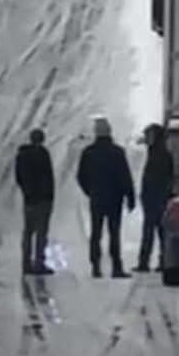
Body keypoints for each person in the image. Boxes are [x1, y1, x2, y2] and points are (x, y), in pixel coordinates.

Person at [76, 115, 135, 278]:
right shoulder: (117, 152)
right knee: (114, 233)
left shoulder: (88, 153)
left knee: (96, 233)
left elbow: (81, 176)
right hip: (115, 199)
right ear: (110, 133)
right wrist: (130, 197)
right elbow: (125, 176)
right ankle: (116, 267)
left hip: (97, 198)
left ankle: (95, 266)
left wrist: (90, 191)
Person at [14, 128, 55, 275]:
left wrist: (26, 191)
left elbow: (18, 177)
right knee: (41, 232)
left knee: (28, 231)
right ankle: (39, 262)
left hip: (29, 199)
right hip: (43, 199)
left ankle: (26, 263)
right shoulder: (43, 154)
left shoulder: (22, 155)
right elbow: (48, 177)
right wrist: (49, 196)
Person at [136, 123, 174, 272]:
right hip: (156, 198)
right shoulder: (158, 153)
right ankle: (160, 261)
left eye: (148, 136)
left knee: (153, 231)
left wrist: (154, 196)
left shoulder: (160, 155)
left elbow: (161, 179)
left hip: (157, 199)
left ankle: (149, 262)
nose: (146, 139)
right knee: (158, 232)